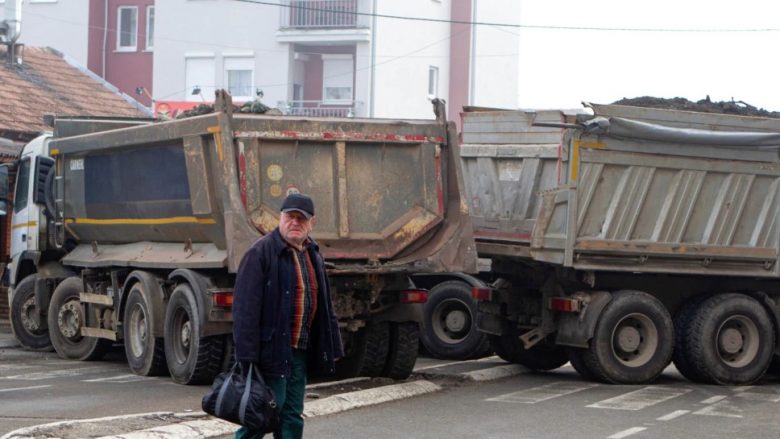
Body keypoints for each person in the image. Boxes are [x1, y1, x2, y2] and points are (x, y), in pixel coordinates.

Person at [232, 193, 344, 439]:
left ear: (311, 223)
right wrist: (246, 357)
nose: (295, 222)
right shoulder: (260, 253)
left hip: (299, 351)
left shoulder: (313, 254)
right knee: (261, 414)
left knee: (292, 415)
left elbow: (325, 306)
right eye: (289, 217)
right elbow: (244, 310)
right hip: (269, 351)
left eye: (301, 219)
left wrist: (333, 345)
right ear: (280, 218)